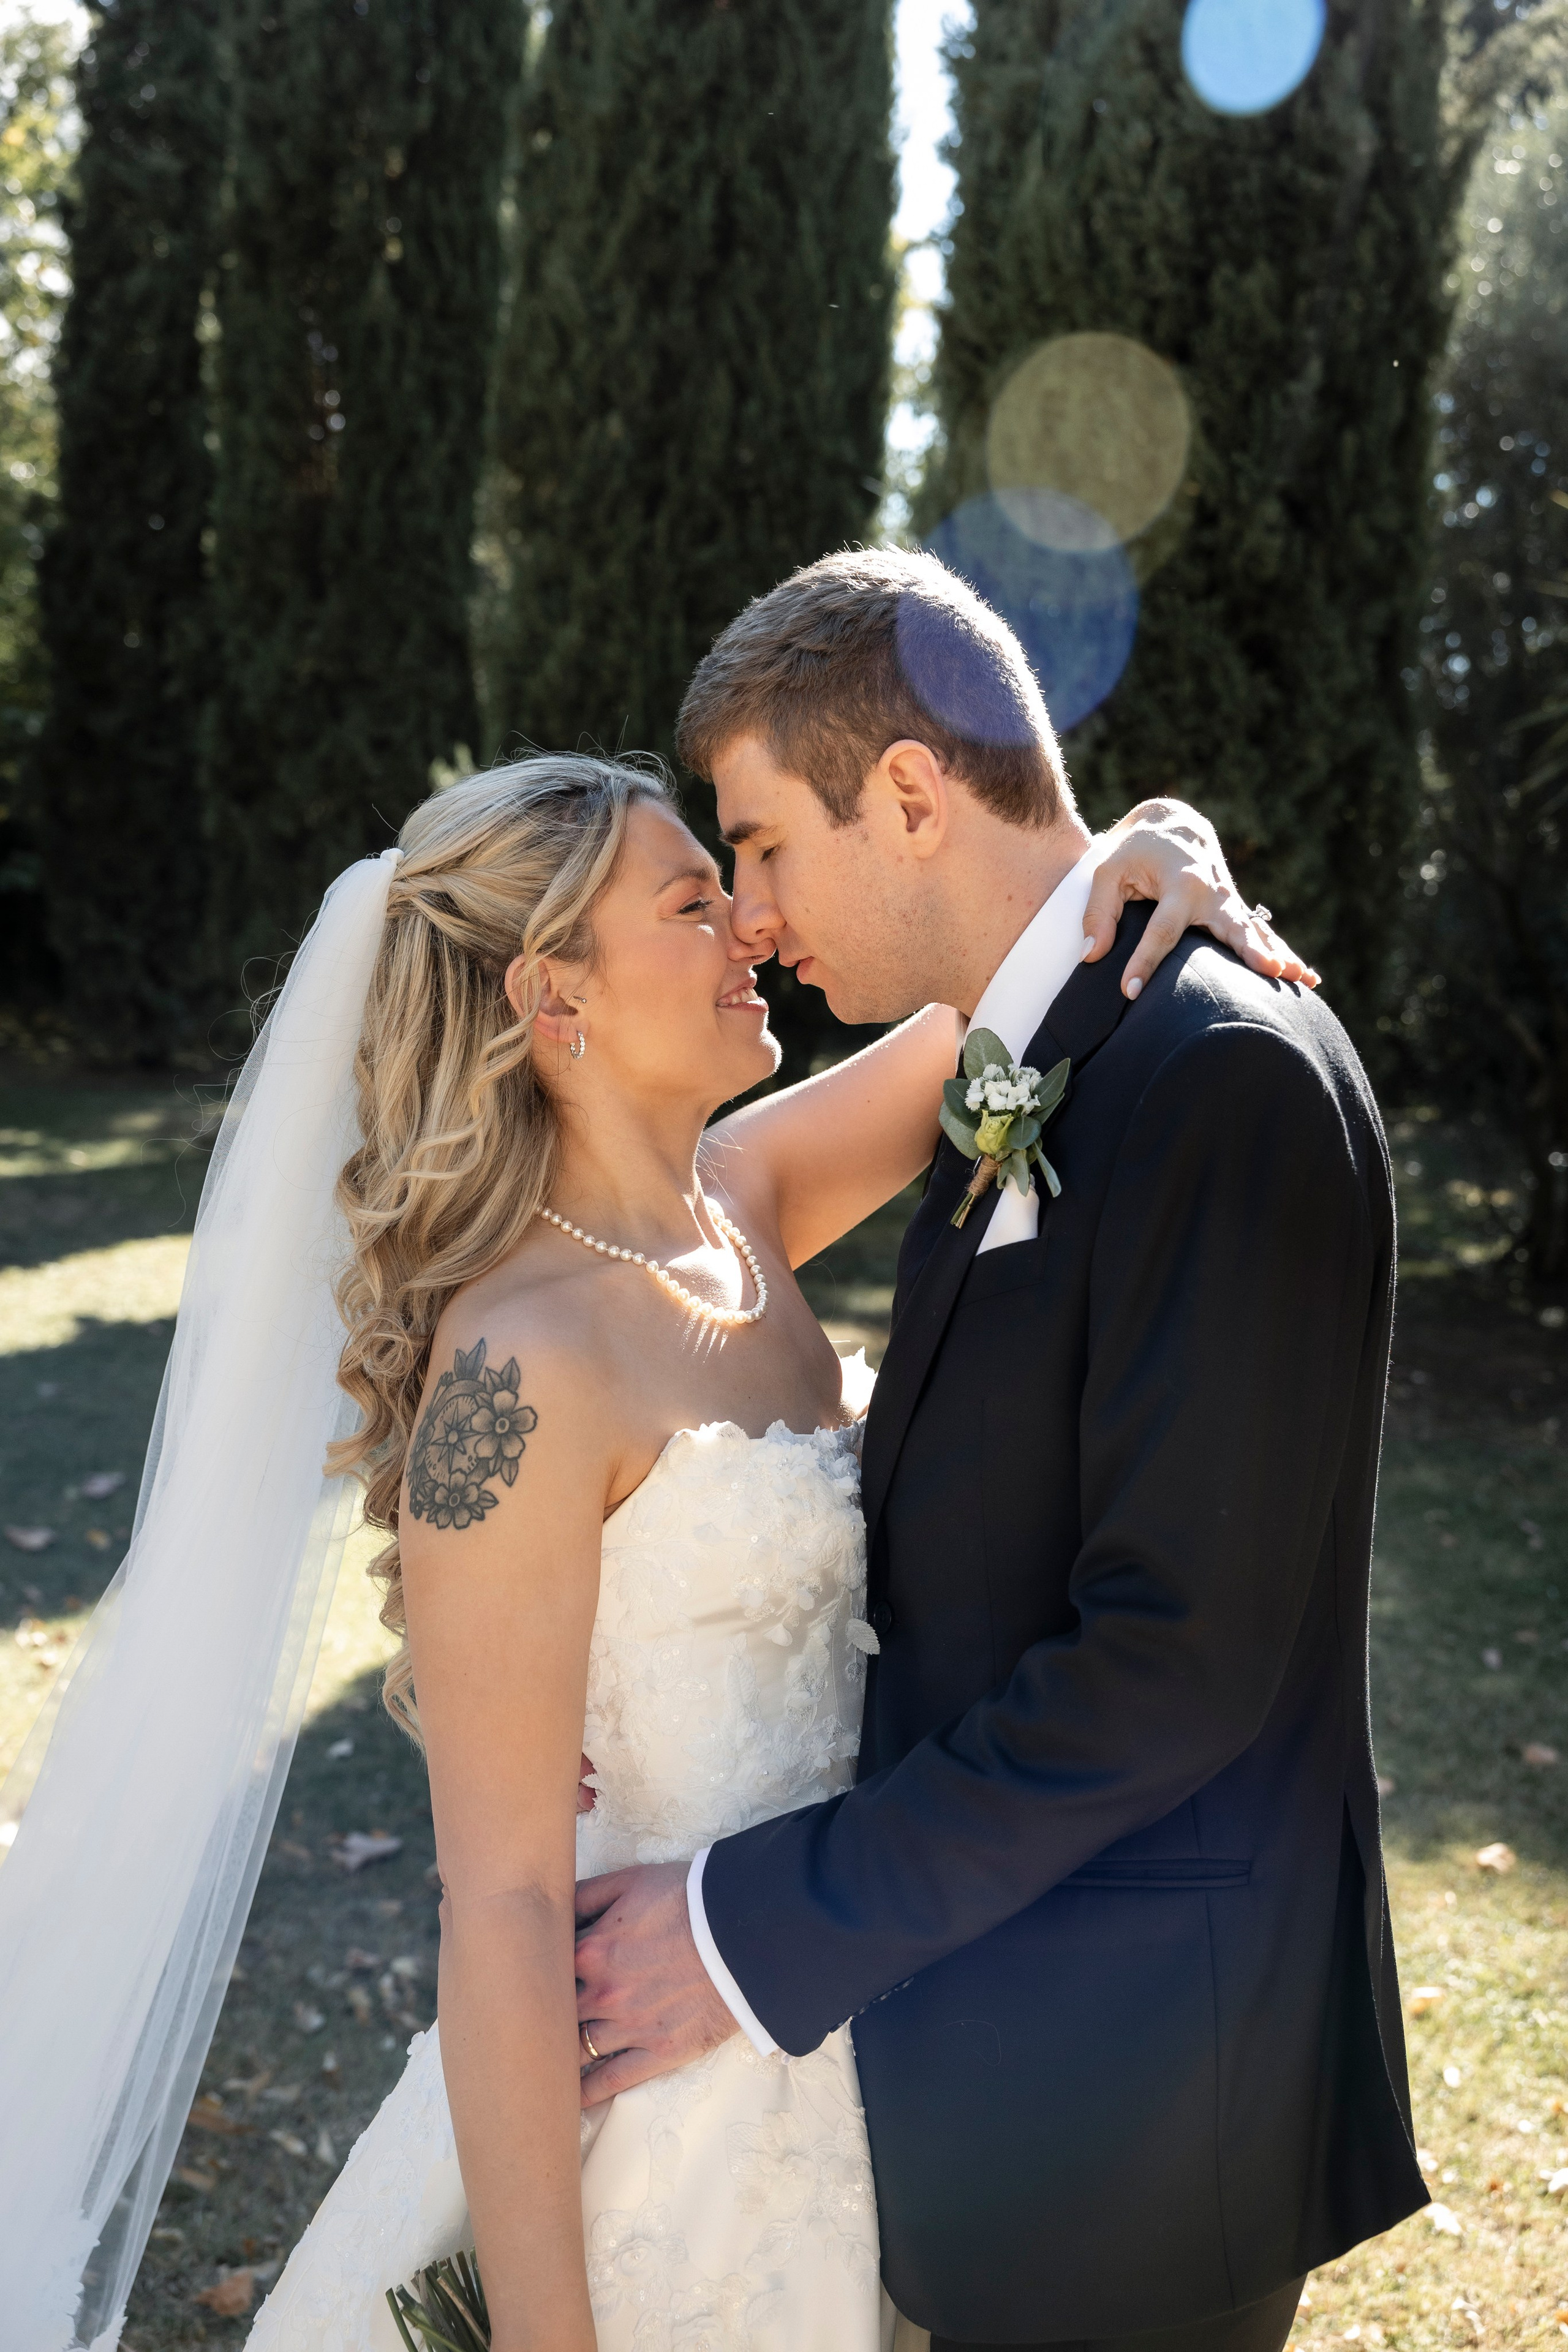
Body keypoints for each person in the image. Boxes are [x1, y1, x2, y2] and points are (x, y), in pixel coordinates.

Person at [569, 548, 1430, 2352]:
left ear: (907, 793)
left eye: (765, 845)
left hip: (1142, 2103)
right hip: (1013, 2063)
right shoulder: (1035, 1054)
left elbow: (1174, 1668)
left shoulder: (1217, 1076)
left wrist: (753, 1925)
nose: (751, 912)